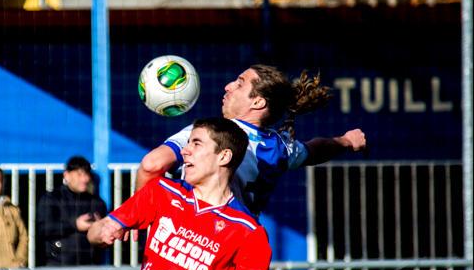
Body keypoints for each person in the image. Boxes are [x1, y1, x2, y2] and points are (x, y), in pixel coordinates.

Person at [88, 117, 270, 270]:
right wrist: (102, 229)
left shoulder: (248, 230)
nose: (185, 151)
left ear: (224, 157)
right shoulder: (160, 192)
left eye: (196, 143)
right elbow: (94, 233)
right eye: (187, 143)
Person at [137, 64, 367, 214]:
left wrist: (136, 213)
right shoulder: (281, 147)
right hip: (238, 252)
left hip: (194, 250)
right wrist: (345, 141)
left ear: (258, 102)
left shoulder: (212, 134)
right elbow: (313, 150)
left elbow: (151, 165)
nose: (228, 87)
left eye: (239, 84)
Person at [36, 156, 107, 270]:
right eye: (79, 174)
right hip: (59, 269)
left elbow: (105, 237)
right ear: (66, 175)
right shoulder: (51, 198)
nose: (85, 179)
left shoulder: (97, 203)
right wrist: (75, 225)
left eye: (87, 174)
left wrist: (99, 229)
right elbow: (43, 229)